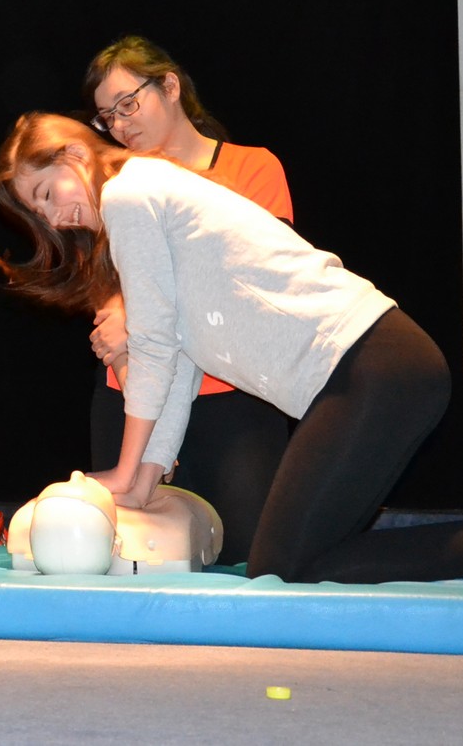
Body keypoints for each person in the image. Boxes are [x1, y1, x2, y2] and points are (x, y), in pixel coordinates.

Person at [0, 113, 463, 589]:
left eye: (47, 194)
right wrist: (145, 476)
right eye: (38, 214)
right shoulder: (145, 192)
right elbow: (179, 361)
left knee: (284, 565)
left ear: (74, 152)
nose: (55, 218)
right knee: (287, 559)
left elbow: (153, 346)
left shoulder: (128, 193)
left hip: (374, 364)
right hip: (370, 371)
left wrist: (126, 473)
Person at [81, 36, 291, 564]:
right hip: (134, 396)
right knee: (128, 552)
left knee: (252, 554)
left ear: (170, 86)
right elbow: (102, 283)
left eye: (128, 103)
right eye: (108, 116)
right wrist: (118, 314)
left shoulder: (253, 168)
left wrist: (137, 314)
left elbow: (259, 288)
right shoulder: (114, 183)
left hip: (232, 393)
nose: (120, 124)